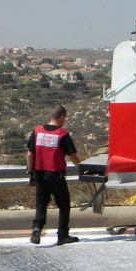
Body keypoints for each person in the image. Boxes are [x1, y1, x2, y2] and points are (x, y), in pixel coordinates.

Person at [26, 105, 82, 245]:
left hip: (40, 174)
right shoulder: (62, 134)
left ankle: (37, 229)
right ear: (62, 117)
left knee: (41, 203)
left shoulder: (37, 131)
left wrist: (30, 171)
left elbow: (30, 154)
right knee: (64, 205)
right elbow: (73, 156)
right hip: (56, 176)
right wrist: (83, 168)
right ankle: (62, 235)